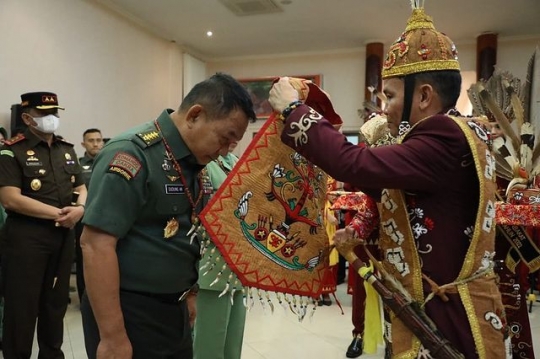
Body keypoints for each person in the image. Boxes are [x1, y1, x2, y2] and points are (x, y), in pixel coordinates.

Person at [268, 4, 506, 358]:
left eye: (391, 96)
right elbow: (396, 193)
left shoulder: (442, 135)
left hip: (450, 317)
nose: (385, 109)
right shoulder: (463, 135)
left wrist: (294, 112)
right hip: (449, 306)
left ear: (424, 96)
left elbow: (356, 164)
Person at [80, 73, 256, 359]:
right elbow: (95, 245)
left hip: (172, 308)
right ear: (195, 115)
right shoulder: (132, 154)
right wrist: (112, 337)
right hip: (129, 310)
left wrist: (190, 293)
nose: (224, 151)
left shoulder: (192, 162)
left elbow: (188, 233)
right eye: (224, 139)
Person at [0, 92, 87, 359]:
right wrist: (60, 214)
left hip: (62, 237)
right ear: (27, 117)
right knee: (22, 308)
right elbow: (10, 199)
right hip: (26, 239)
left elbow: (81, 187)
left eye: (55, 113)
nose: (52, 119)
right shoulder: (11, 150)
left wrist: (80, 208)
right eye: (44, 114)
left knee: (55, 304)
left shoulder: (66, 150)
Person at [193, 140, 247, 359]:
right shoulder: (201, 162)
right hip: (212, 267)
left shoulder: (235, 161)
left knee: (233, 343)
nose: (233, 139)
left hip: (239, 265)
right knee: (209, 344)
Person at [74, 128, 104, 302]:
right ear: (83, 144)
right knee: (84, 258)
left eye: (99, 140)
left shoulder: (110, 162)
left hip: (105, 217)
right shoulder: (77, 165)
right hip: (84, 218)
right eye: (91, 140)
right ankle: (85, 298)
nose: (95, 143)